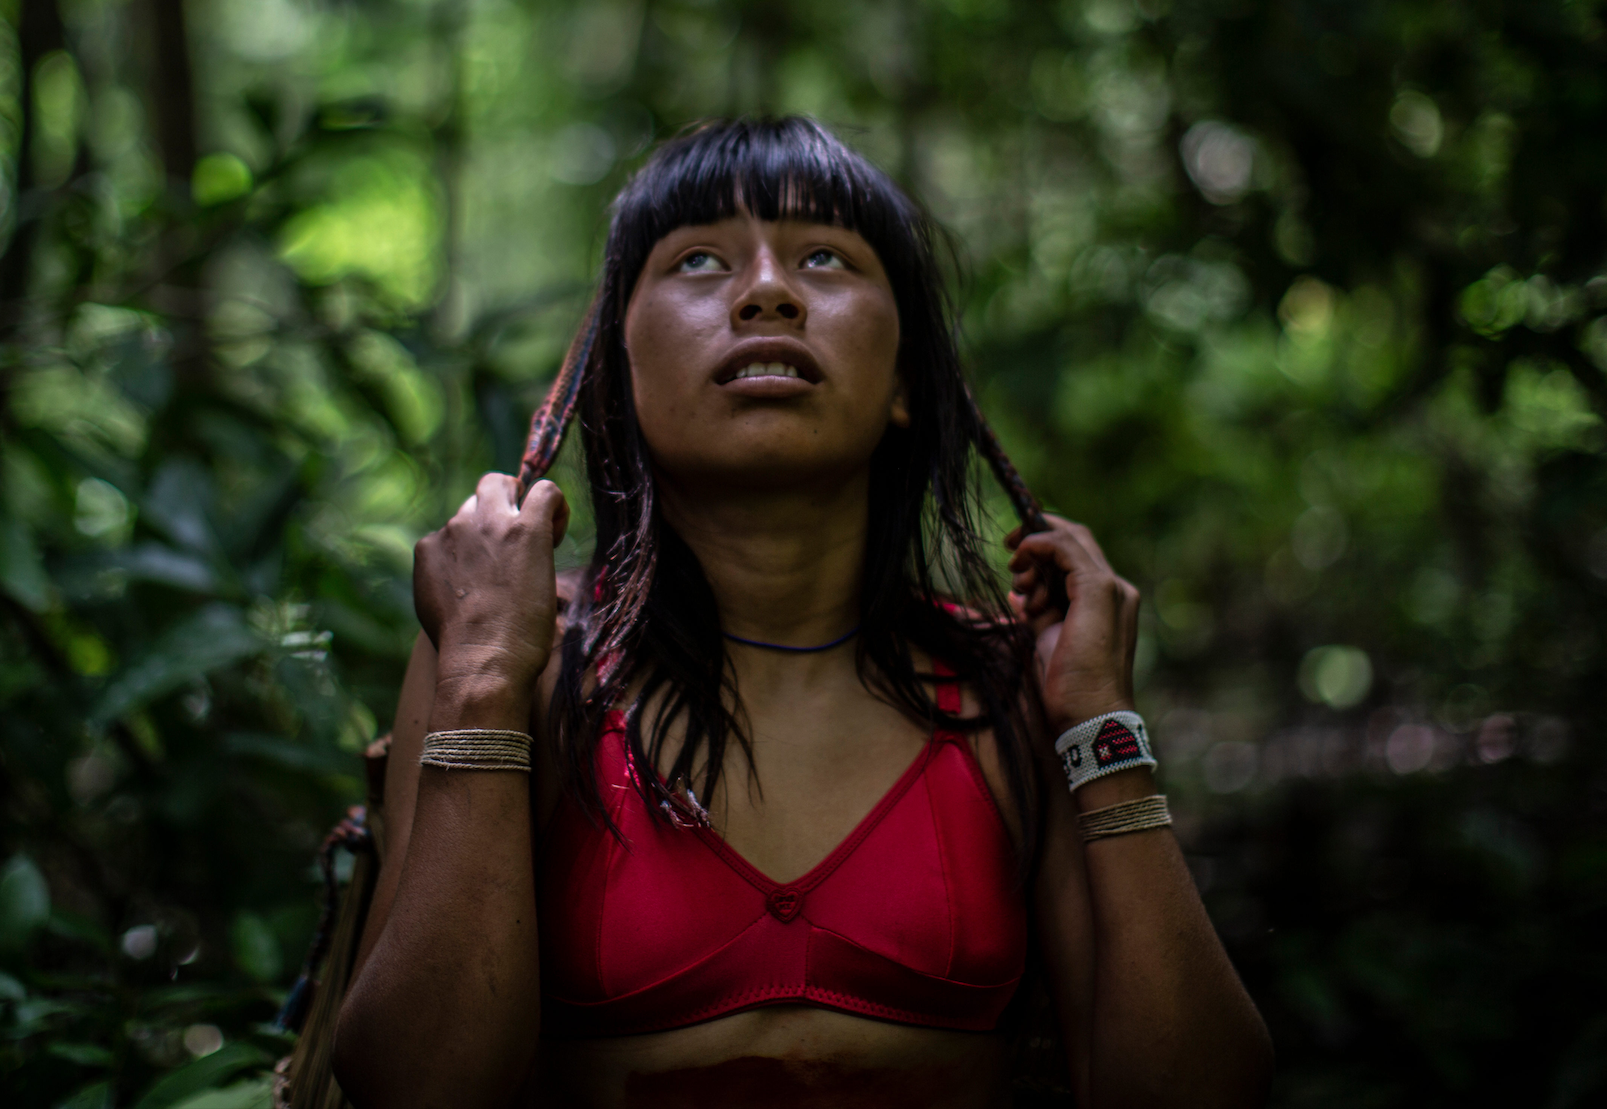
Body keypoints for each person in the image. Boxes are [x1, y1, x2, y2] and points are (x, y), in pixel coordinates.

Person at [334, 117, 1272, 1108]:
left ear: (907, 381)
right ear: (622, 376)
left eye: (825, 257)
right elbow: (411, 1083)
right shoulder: (517, 661)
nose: (769, 290)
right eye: (700, 261)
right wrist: (479, 677)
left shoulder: (1014, 689)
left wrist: (1098, 724)